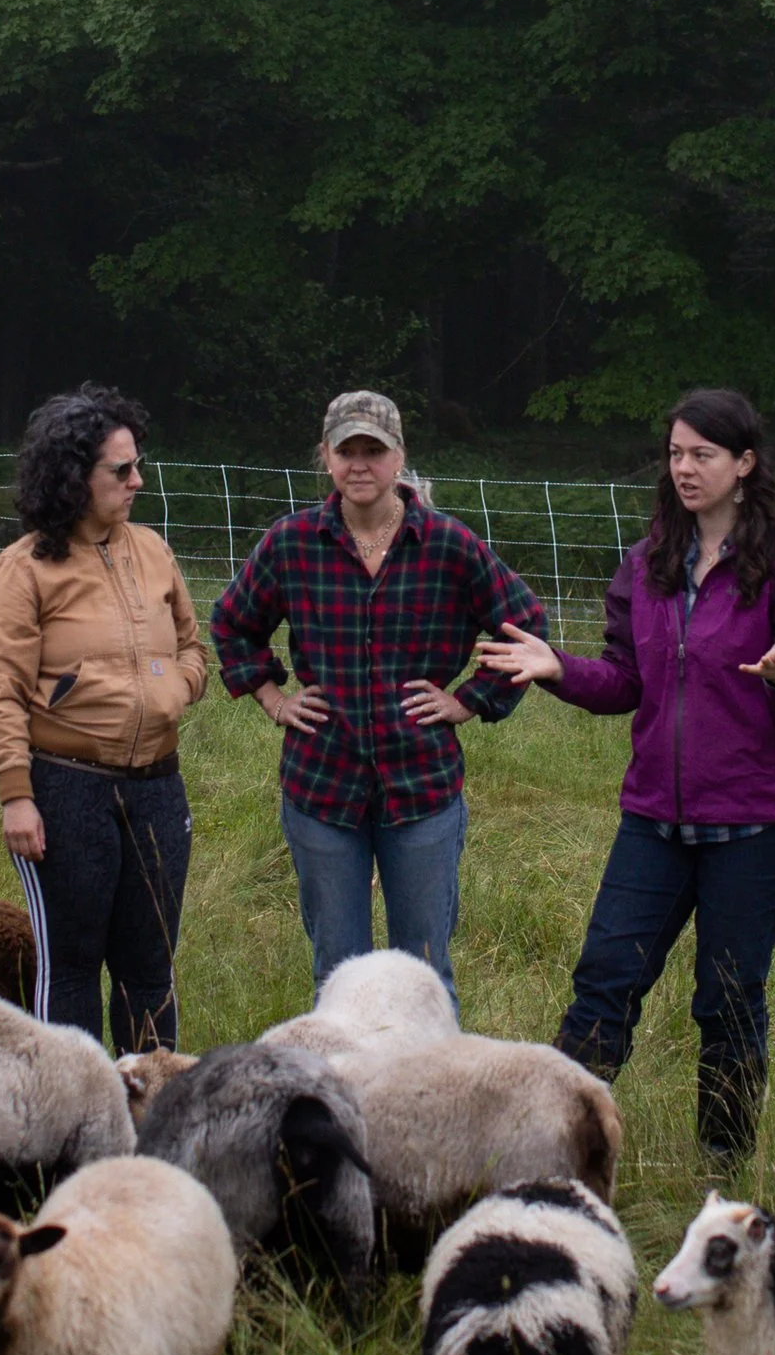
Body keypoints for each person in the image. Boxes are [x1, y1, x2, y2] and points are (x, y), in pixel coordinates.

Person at [478, 385, 775, 1173]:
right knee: (605, 977)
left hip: (761, 825)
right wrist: (555, 668)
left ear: (744, 464)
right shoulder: (648, 564)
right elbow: (623, 682)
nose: (685, 468)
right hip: (656, 821)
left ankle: (721, 1164)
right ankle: (553, 1156)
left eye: (703, 455)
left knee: (729, 998)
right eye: (676, 453)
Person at [212, 390, 543, 995]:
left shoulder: (448, 544)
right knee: (338, 975)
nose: (360, 464)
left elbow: (524, 625)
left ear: (399, 458)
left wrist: (468, 699)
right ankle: (344, 1092)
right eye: (347, 451)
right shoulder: (292, 543)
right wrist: (274, 699)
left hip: (422, 787)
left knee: (423, 974)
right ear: (327, 458)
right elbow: (232, 622)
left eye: (375, 450)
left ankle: (425, 1090)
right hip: (322, 786)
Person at [0, 385, 208, 1052]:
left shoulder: (154, 551)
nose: (137, 481)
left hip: (159, 786)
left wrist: (174, 686)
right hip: (64, 789)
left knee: (150, 966)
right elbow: (1, 689)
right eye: (121, 470)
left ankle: (149, 1120)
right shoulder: (23, 571)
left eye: (138, 466)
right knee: (72, 965)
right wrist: (17, 797)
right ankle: (71, 1128)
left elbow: (193, 646)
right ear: (74, 475)